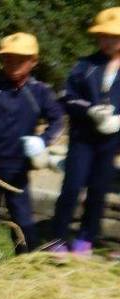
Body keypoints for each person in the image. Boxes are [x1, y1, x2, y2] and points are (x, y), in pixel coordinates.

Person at [0, 32, 65, 260]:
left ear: (33, 61)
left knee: (22, 218)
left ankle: (25, 261)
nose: (12, 64)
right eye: (7, 59)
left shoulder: (39, 92)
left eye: (19, 59)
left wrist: (44, 140)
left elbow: (58, 119)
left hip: (18, 169)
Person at [51, 8, 120, 256]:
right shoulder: (85, 65)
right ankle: (57, 237)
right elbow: (68, 98)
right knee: (72, 186)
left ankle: (86, 237)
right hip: (82, 138)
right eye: (104, 35)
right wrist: (90, 110)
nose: (108, 40)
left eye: (114, 36)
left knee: (99, 189)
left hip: (111, 141)